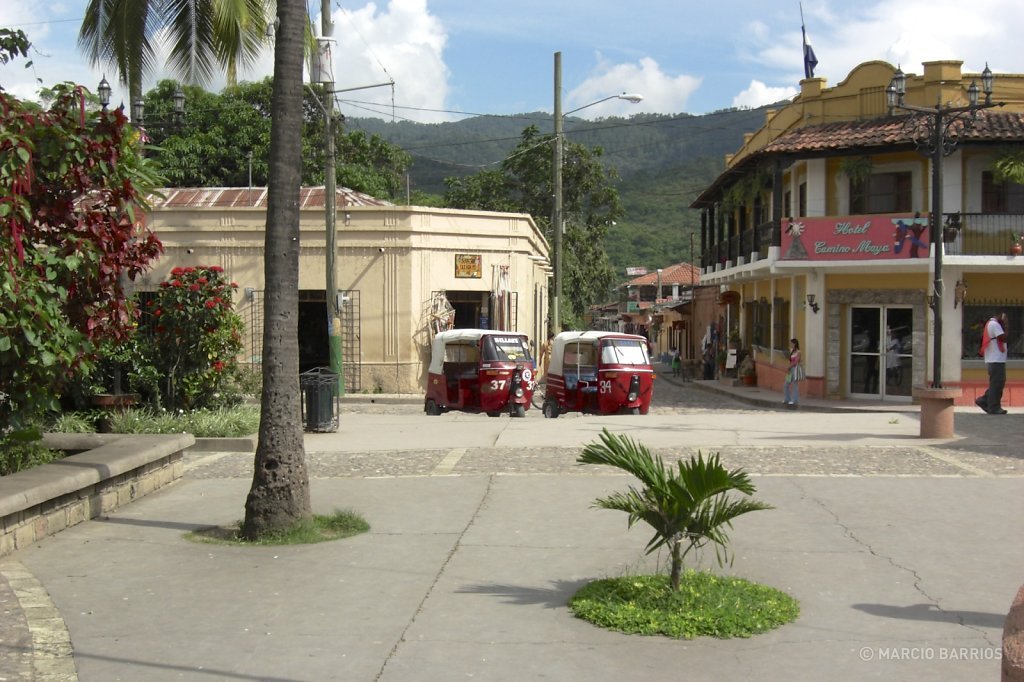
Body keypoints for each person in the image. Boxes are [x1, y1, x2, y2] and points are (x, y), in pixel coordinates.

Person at [976, 312, 1009, 415]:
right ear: (999, 315)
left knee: (996, 383)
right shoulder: (994, 324)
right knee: (997, 384)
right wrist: (1006, 325)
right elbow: (1003, 337)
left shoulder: (992, 324)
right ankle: (994, 407)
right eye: (1004, 316)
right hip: (996, 360)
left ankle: (984, 400)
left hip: (996, 359)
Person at [783, 338, 802, 407]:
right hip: (790, 369)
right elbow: (790, 361)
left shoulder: (798, 352)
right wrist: (788, 367)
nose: (790, 345)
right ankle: (787, 398)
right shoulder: (792, 351)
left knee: (795, 385)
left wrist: (790, 366)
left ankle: (794, 400)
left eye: (791, 343)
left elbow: (796, 361)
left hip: (795, 369)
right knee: (786, 384)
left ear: (795, 344)